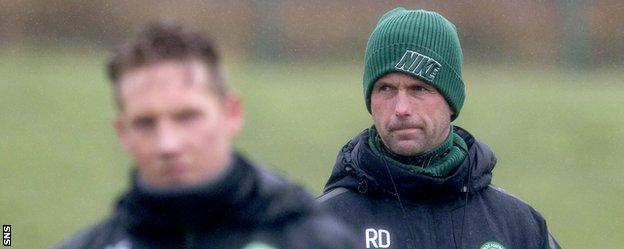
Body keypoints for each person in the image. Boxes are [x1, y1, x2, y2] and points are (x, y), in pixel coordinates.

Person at [56, 22, 356, 249]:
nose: (167, 144)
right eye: (146, 123)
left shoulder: (316, 240)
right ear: (123, 132)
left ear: (231, 114)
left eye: (187, 117)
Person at [319, 7, 561, 249]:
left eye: (419, 89)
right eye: (386, 89)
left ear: (451, 101)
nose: (401, 108)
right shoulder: (323, 226)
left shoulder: (518, 226)